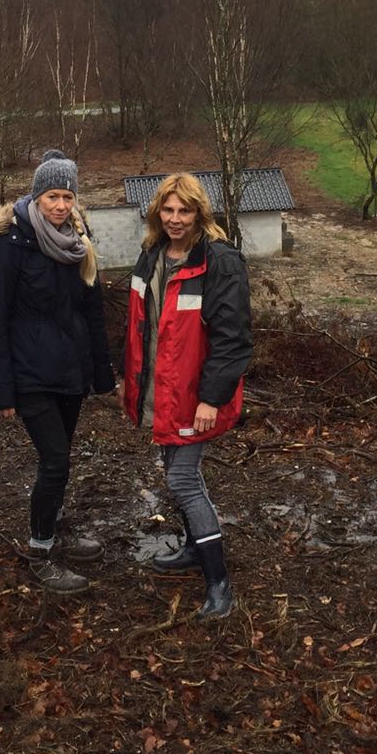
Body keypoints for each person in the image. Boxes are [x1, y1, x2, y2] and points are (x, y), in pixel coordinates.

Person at [0, 149, 116, 594]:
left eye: (68, 197)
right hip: (30, 373)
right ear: (37, 196)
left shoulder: (78, 242)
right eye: (53, 196)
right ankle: (40, 551)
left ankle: (54, 528)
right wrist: (3, 390)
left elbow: (91, 312)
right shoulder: (10, 246)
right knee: (55, 460)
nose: (61, 205)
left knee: (61, 457)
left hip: (70, 372)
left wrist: (102, 374)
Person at [122, 172, 252, 620]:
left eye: (185, 210)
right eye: (168, 209)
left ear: (200, 213)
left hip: (195, 395)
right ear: (157, 211)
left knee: (181, 480)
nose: (175, 218)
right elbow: (140, 327)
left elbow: (233, 339)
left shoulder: (220, 261)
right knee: (176, 471)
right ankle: (197, 549)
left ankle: (219, 582)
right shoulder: (151, 255)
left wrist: (210, 399)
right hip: (161, 390)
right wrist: (130, 382)